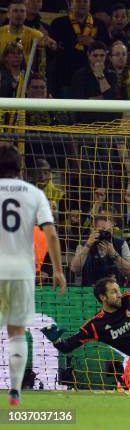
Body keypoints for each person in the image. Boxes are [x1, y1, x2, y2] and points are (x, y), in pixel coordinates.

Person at [0, 144, 66, 406]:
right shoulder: (34, 193)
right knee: (16, 331)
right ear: (20, 168)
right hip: (21, 271)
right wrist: (58, 270)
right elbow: (50, 232)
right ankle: (15, 390)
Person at [70, 212, 130, 286]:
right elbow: (74, 268)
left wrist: (114, 254)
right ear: (94, 230)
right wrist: (88, 246)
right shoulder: (84, 244)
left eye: (108, 231)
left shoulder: (121, 244)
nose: (105, 234)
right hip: (90, 290)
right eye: (102, 231)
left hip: (114, 291)